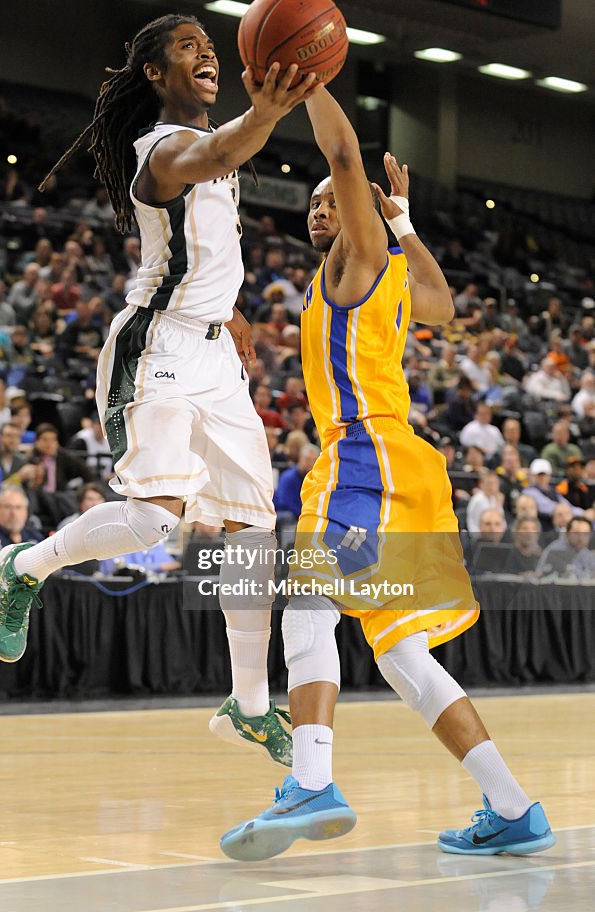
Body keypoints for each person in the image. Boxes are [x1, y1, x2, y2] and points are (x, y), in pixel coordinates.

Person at [220, 88, 553, 860]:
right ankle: (511, 808)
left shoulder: (355, 259)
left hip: (364, 453)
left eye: (330, 203)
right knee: (402, 657)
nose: (318, 211)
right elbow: (437, 305)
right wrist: (405, 222)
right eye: (309, 206)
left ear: (357, 214)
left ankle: (310, 782)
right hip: (402, 465)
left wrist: (308, 85)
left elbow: (341, 157)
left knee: (305, 605)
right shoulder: (393, 272)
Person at [0, 13, 320, 768]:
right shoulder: (161, 151)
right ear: (156, 77)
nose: (205, 54)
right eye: (186, 49)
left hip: (213, 358)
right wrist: (270, 106)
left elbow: (211, 220)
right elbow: (220, 148)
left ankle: (249, 705)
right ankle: (25, 567)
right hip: (156, 346)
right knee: (154, 520)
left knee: (253, 530)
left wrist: (229, 317)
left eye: (209, 45)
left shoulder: (217, 148)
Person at [0, 486, 43, 572]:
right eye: (7, 507)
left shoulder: (35, 537)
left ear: (27, 511)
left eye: (18, 507)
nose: (13, 513)